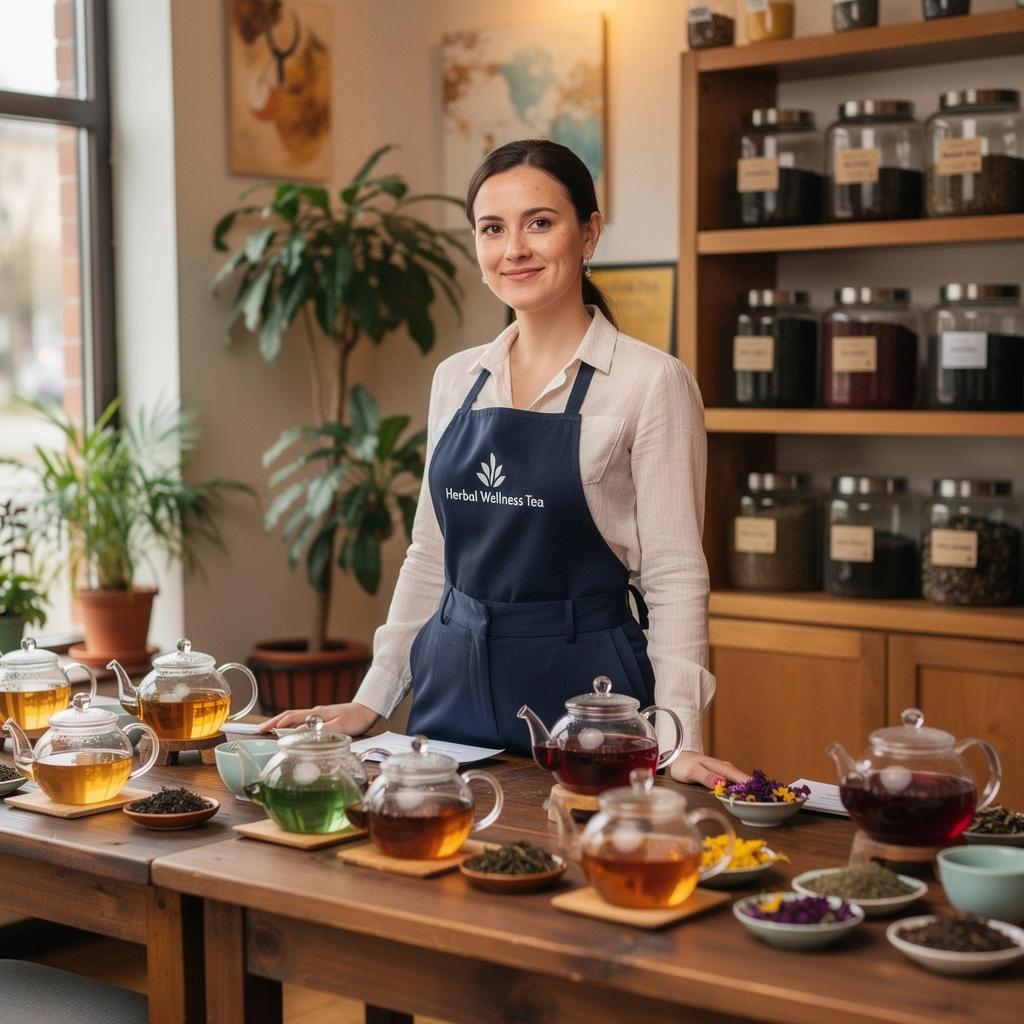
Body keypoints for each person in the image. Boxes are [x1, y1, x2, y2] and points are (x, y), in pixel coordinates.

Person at [264, 139, 748, 788]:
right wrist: (372, 699)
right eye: (492, 229)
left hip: (589, 698)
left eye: (539, 223)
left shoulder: (650, 382)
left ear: (589, 233)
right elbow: (431, 555)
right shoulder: (456, 378)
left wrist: (677, 737)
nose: (514, 248)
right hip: (451, 683)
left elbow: (674, 573)